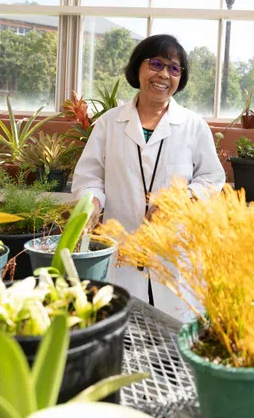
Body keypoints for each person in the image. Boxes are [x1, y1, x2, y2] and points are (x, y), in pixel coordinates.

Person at [72, 34, 226, 320]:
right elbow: (90, 175)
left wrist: (182, 199)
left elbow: (211, 179)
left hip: (175, 254)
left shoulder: (194, 126)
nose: (164, 74)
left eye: (174, 68)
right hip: (122, 250)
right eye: (156, 64)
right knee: (123, 333)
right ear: (138, 69)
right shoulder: (109, 123)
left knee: (176, 336)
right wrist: (91, 203)